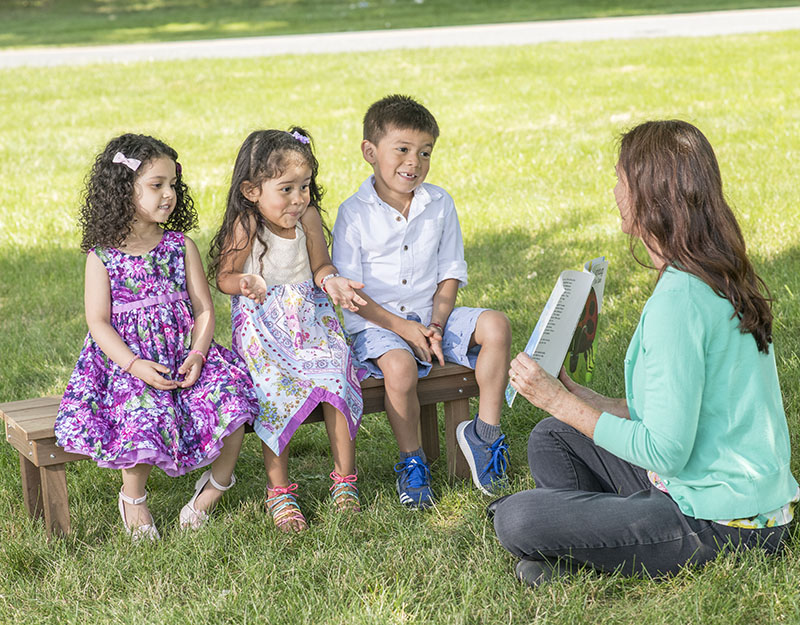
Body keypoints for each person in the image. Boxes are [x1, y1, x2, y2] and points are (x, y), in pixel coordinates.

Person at [494, 120, 799, 586]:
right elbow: (684, 411)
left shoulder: (679, 302)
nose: (613, 189)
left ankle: (592, 547)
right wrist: (589, 402)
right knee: (553, 437)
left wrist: (558, 400)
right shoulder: (713, 273)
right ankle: (598, 539)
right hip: (738, 497)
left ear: (650, 195)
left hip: (721, 522)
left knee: (516, 518)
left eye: (619, 178)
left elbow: (666, 451)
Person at [55, 133, 258, 541]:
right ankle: (133, 498)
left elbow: (203, 308)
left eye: (173, 185)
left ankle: (213, 490)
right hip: (127, 362)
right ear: (122, 190)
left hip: (185, 354)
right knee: (141, 414)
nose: (169, 195)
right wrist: (134, 365)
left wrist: (199, 355)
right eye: (156, 185)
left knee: (234, 399)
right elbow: (98, 322)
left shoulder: (180, 246)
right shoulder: (103, 256)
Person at [331, 94, 512, 509]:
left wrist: (435, 323)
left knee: (496, 325)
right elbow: (352, 295)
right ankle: (413, 461)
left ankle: (484, 436)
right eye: (403, 150)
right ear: (370, 152)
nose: (414, 162)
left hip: (432, 318)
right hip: (378, 326)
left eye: (425, 152)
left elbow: (450, 273)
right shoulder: (354, 213)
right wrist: (404, 329)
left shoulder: (439, 204)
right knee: (399, 365)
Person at [208, 128, 365, 532]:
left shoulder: (307, 218)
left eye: (305, 187)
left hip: (310, 321)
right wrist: (244, 282)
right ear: (252, 190)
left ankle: (345, 480)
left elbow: (320, 266)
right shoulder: (247, 226)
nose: (298, 199)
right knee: (273, 389)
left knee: (337, 372)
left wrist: (332, 282)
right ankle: (279, 491)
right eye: (287, 189)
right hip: (263, 328)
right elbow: (224, 276)